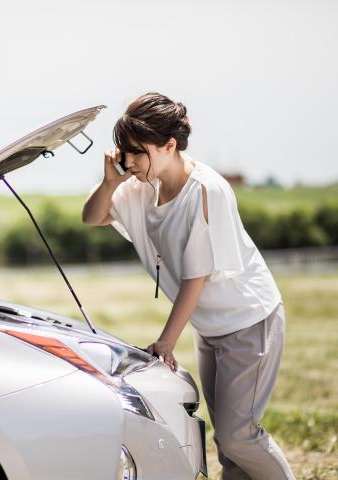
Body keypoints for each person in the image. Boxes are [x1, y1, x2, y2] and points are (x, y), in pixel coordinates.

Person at [82, 92, 295, 479]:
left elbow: (197, 277)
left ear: (169, 145)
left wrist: (166, 341)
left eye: (136, 151)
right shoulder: (138, 185)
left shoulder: (205, 191)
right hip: (210, 326)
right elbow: (92, 216)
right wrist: (109, 181)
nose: (128, 160)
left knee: (238, 438)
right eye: (123, 150)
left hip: (248, 321)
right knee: (228, 446)